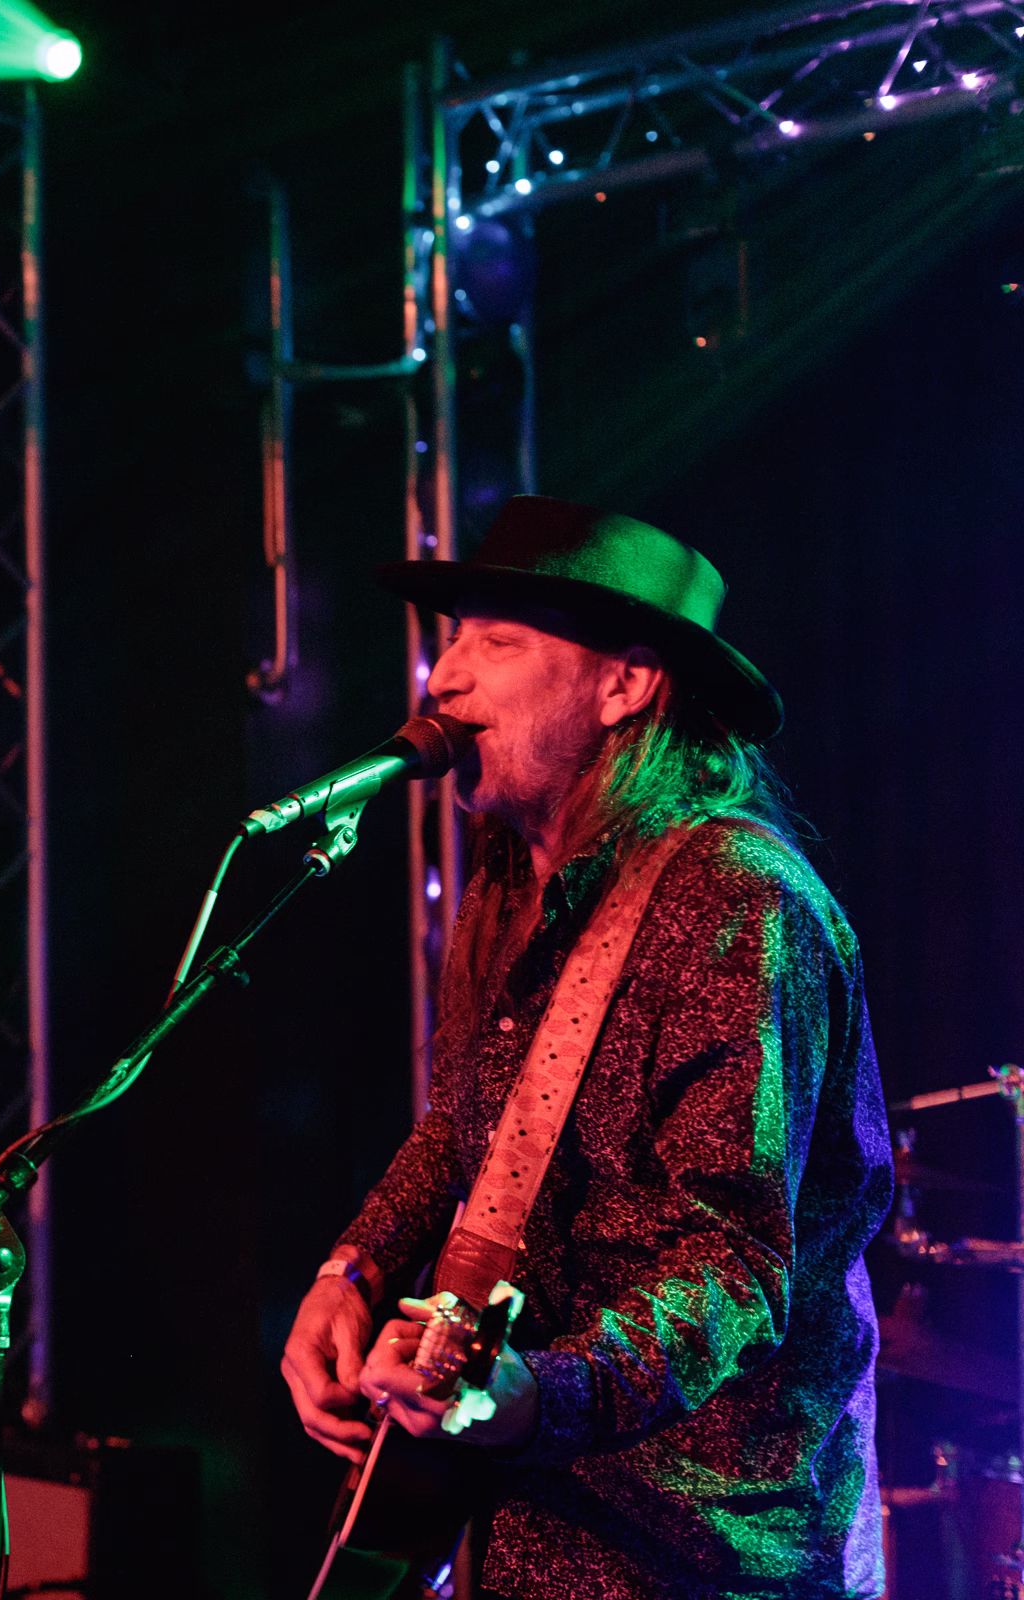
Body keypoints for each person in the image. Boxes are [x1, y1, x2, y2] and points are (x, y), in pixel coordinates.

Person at [279, 497, 891, 1597]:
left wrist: (537, 1396)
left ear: (625, 684)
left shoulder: (737, 904)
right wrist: (353, 1265)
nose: (444, 678)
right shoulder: (513, 880)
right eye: (451, 638)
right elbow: (466, 1128)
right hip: (521, 1519)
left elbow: (731, 1260)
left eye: (497, 642)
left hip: (698, 1551)